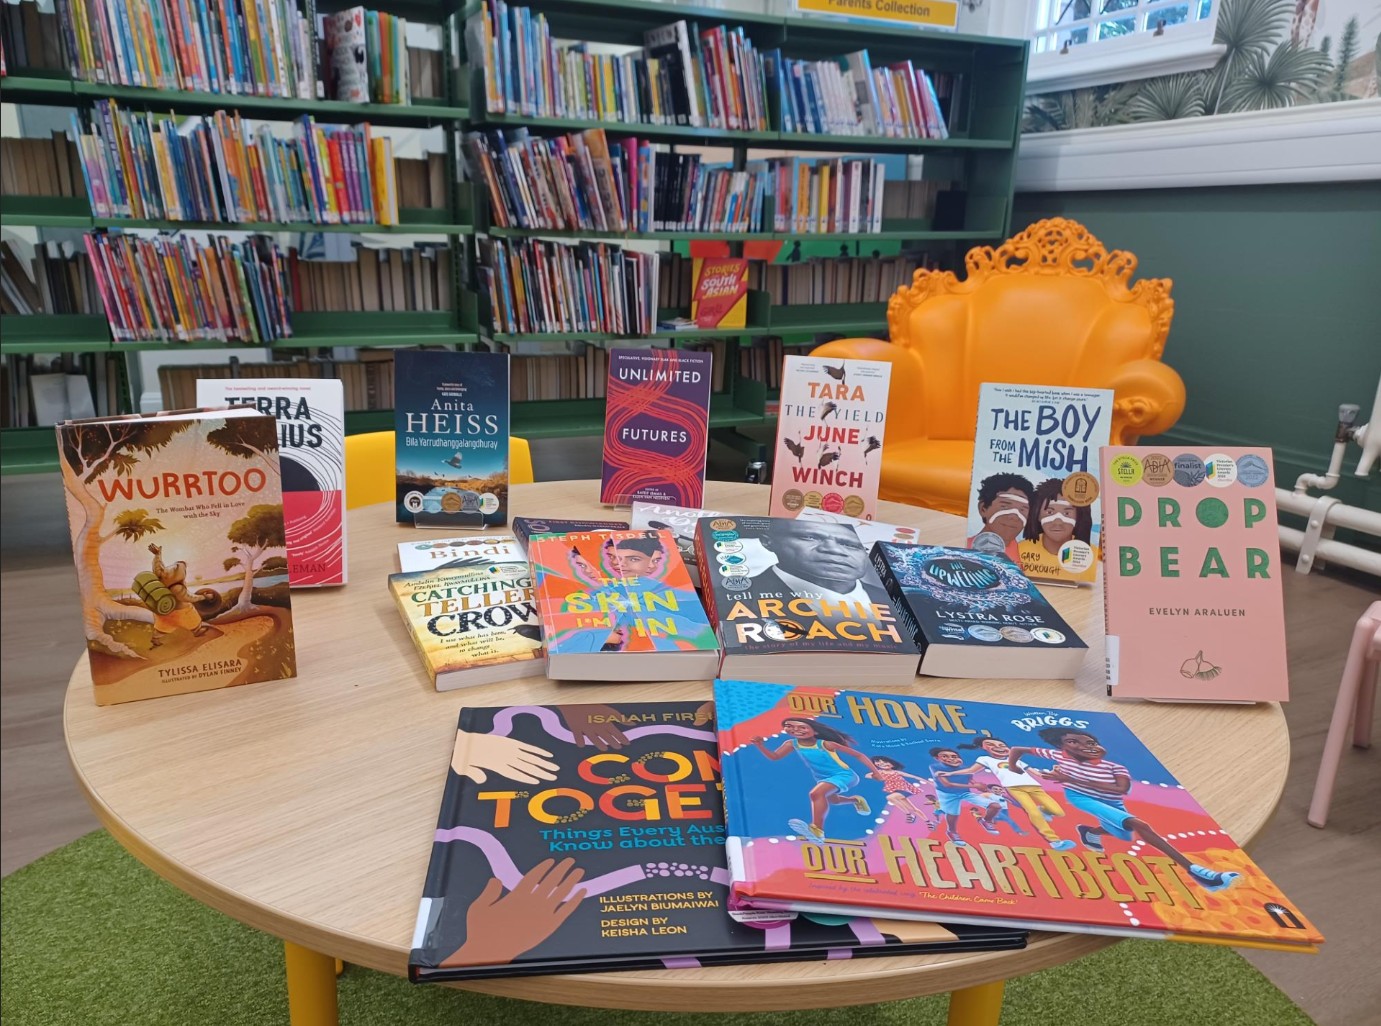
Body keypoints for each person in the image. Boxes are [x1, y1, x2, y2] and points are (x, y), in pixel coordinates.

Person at [1006, 728, 1241, 892]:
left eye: (1089, 743)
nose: (1083, 746)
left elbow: (1120, 788)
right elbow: (1017, 748)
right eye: (1073, 742)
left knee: (1123, 834)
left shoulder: (1115, 766)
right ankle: (1198, 872)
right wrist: (1013, 767)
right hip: (1080, 797)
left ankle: (1091, 832)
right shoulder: (1056, 755)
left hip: (1112, 801)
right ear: (1062, 746)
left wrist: (1071, 778)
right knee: (1139, 825)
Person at [752, 717, 879, 840]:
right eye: (790, 726)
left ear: (815, 731)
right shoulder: (792, 743)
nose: (795, 730)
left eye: (802, 727)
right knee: (834, 801)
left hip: (845, 775)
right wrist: (760, 745)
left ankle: (817, 830)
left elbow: (859, 755)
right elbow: (775, 757)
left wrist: (876, 773)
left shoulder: (826, 744)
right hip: (823, 778)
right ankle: (855, 800)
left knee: (816, 794)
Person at [953, 735, 1075, 850]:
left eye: (1001, 744)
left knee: (1058, 812)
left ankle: (1043, 810)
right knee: (1032, 811)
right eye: (990, 744)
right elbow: (970, 770)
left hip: (1034, 787)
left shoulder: (1018, 760)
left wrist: (1054, 774)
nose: (998, 747)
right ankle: (1055, 841)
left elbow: (1038, 774)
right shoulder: (986, 759)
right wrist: (950, 774)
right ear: (983, 748)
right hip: (1014, 788)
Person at [753, 519, 889, 608]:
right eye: (809, 537)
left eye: (851, 545)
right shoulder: (745, 597)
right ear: (767, 542)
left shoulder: (889, 601)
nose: (834, 550)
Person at [1017, 477, 1097, 583]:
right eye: (1050, 512)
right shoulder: (1020, 550)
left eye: (1067, 513)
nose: (1058, 522)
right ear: (1038, 515)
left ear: (1078, 517)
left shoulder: (1092, 555)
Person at [929, 747, 1002, 847]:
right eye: (945, 756)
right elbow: (947, 784)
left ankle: (986, 821)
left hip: (964, 792)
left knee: (995, 806)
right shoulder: (935, 767)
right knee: (953, 814)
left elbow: (970, 779)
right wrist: (974, 786)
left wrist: (981, 786)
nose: (950, 758)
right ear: (937, 758)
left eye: (953, 756)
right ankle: (952, 832)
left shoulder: (965, 768)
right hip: (946, 793)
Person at [967, 473, 1034, 561]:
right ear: (983, 508)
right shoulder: (964, 549)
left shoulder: (1026, 554)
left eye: (1022, 510)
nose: (1014, 516)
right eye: (1005, 506)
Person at [868, 755, 929, 824]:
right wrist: (877, 776)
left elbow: (914, 777)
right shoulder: (881, 773)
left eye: (886, 762)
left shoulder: (897, 772)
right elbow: (867, 775)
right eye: (880, 764)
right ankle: (928, 822)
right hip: (897, 792)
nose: (883, 764)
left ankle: (908, 814)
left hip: (905, 790)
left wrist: (929, 782)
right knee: (913, 809)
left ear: (892, 764)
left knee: (889, 797)